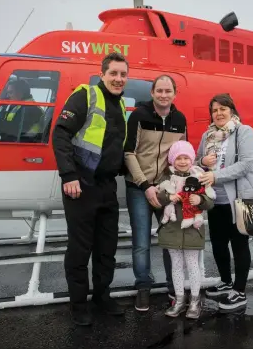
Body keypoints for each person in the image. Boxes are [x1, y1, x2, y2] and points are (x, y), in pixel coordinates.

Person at [51, 52, 129, 326]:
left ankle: (102, 296)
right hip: (81, 186)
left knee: (107, 247)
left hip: (107, 186)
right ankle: (78, 303)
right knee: (80, 248)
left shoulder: (120, 106)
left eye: (123, 75)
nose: (118, 79)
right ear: (103, 73)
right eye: (114, 74)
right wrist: (69, 175)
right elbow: (60, 133)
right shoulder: (85, 95)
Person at [123, 75, 187, 311]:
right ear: (152, 93)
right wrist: (144, 185)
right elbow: (129, 153)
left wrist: (172, 186)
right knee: (141, 242)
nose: (163, 95)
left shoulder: (180, 120)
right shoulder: (139, 116)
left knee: (171, 239)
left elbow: (182, 155)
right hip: (138, 187)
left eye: (168, 91)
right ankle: (143, 287)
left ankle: (175, 287)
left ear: (174, 93)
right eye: (159, 90)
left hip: (166, 189)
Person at [196, 93, 253, 311]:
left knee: (239, 244)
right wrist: (203, 161)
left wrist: (216, 176)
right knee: (217, 244)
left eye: (223, 109)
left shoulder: (244, 132)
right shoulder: (208, 137)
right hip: (216, 201)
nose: (218, 113)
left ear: (231, 110)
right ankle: (225, 281)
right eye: (214, 110)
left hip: (238, 200)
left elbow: (246, 163)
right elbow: (196, 162)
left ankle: (240, 291)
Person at [156, 141, 215, 319]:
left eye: (186, 158)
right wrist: (169, 196)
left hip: (192, 230)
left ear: (192, 160)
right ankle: (180, 300)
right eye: (178, 158)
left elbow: (210, 200)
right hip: (173, 229)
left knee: (192, 265)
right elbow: (160, 196)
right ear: (173, 160)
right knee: (176, 266)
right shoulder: (166, 177)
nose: (182, 161)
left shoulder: (199, 176)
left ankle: (195, 301)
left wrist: (200, 201)